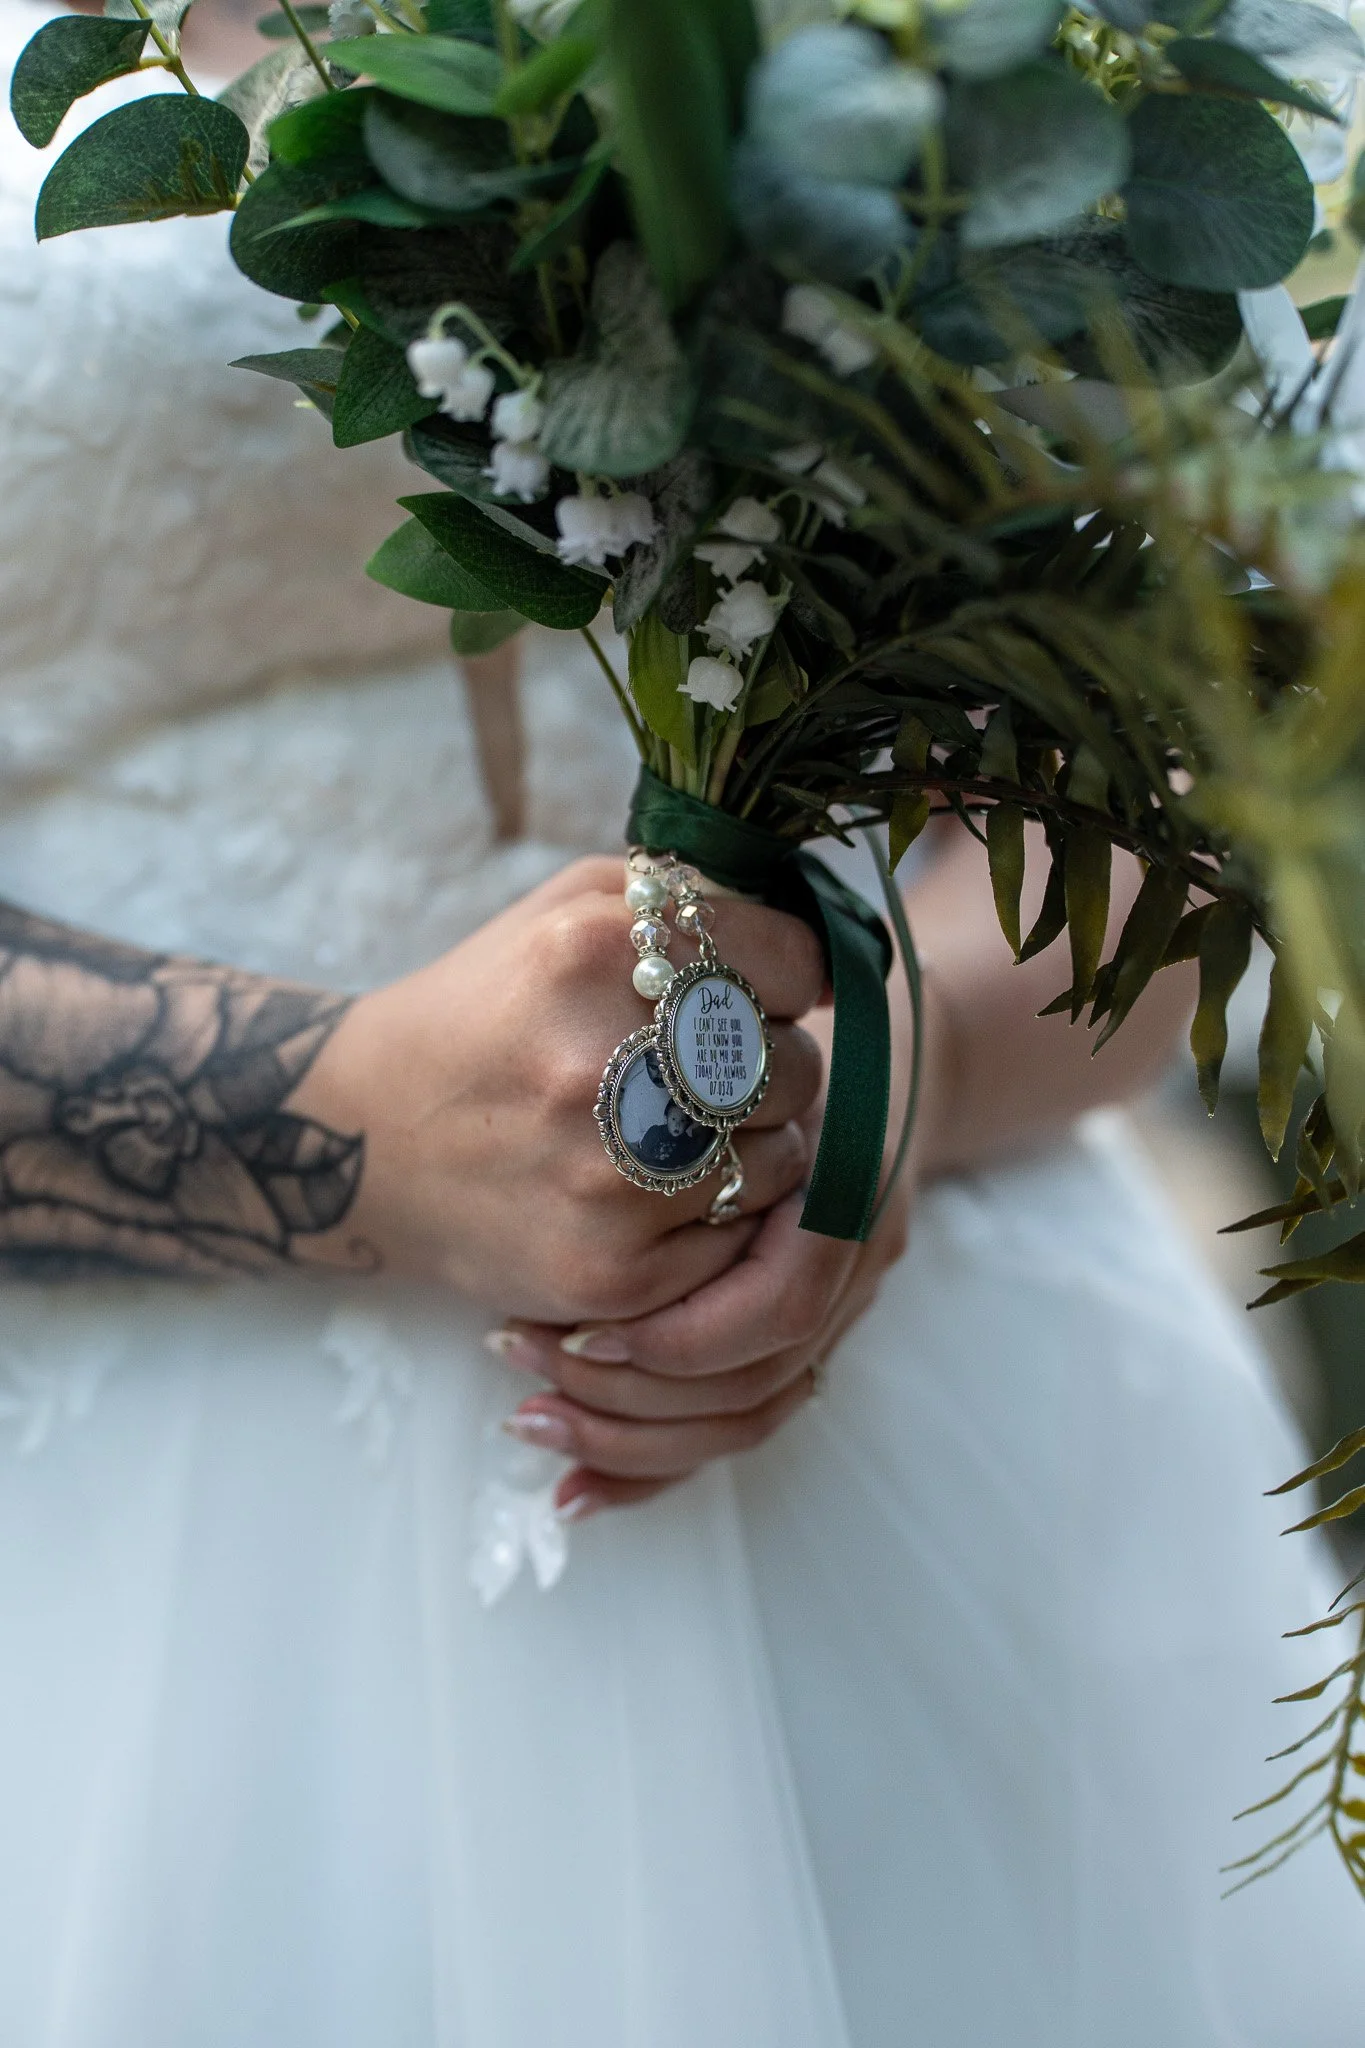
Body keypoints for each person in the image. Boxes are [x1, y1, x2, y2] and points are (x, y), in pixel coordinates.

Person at [0, 2, 1359, 2042]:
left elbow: (1162, 751)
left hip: (932, 1422)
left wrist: (891, 1075)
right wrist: (355, 1115)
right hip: (106, 1555)